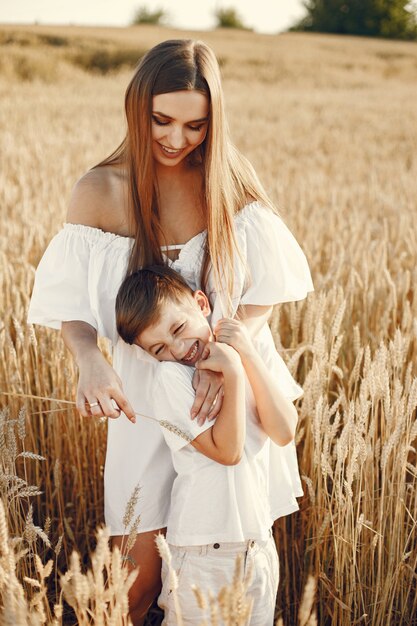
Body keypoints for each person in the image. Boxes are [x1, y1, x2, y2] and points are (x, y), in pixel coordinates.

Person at [27, 39, 314, 624]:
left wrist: (228, 354)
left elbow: (265, 292)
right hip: (145, 403)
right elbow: (71, 304)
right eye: (162, 120)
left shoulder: (228, 181)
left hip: (224, 396)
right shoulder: (99, 191)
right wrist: (91, 358)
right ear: (137, 106)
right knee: (132, 586)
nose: (177, 139)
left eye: (196, 125)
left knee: (224, 573)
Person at [115, 265, 304, 624]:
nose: (179, 348)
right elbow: (227, 451)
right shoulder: (171, 378)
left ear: (201, 303)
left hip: (258, 543)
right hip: (203, 551)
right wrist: (231, 372)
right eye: (160, 348)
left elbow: (283, 431)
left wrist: (244, 356)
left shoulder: (248, 349)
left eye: (178, 329)